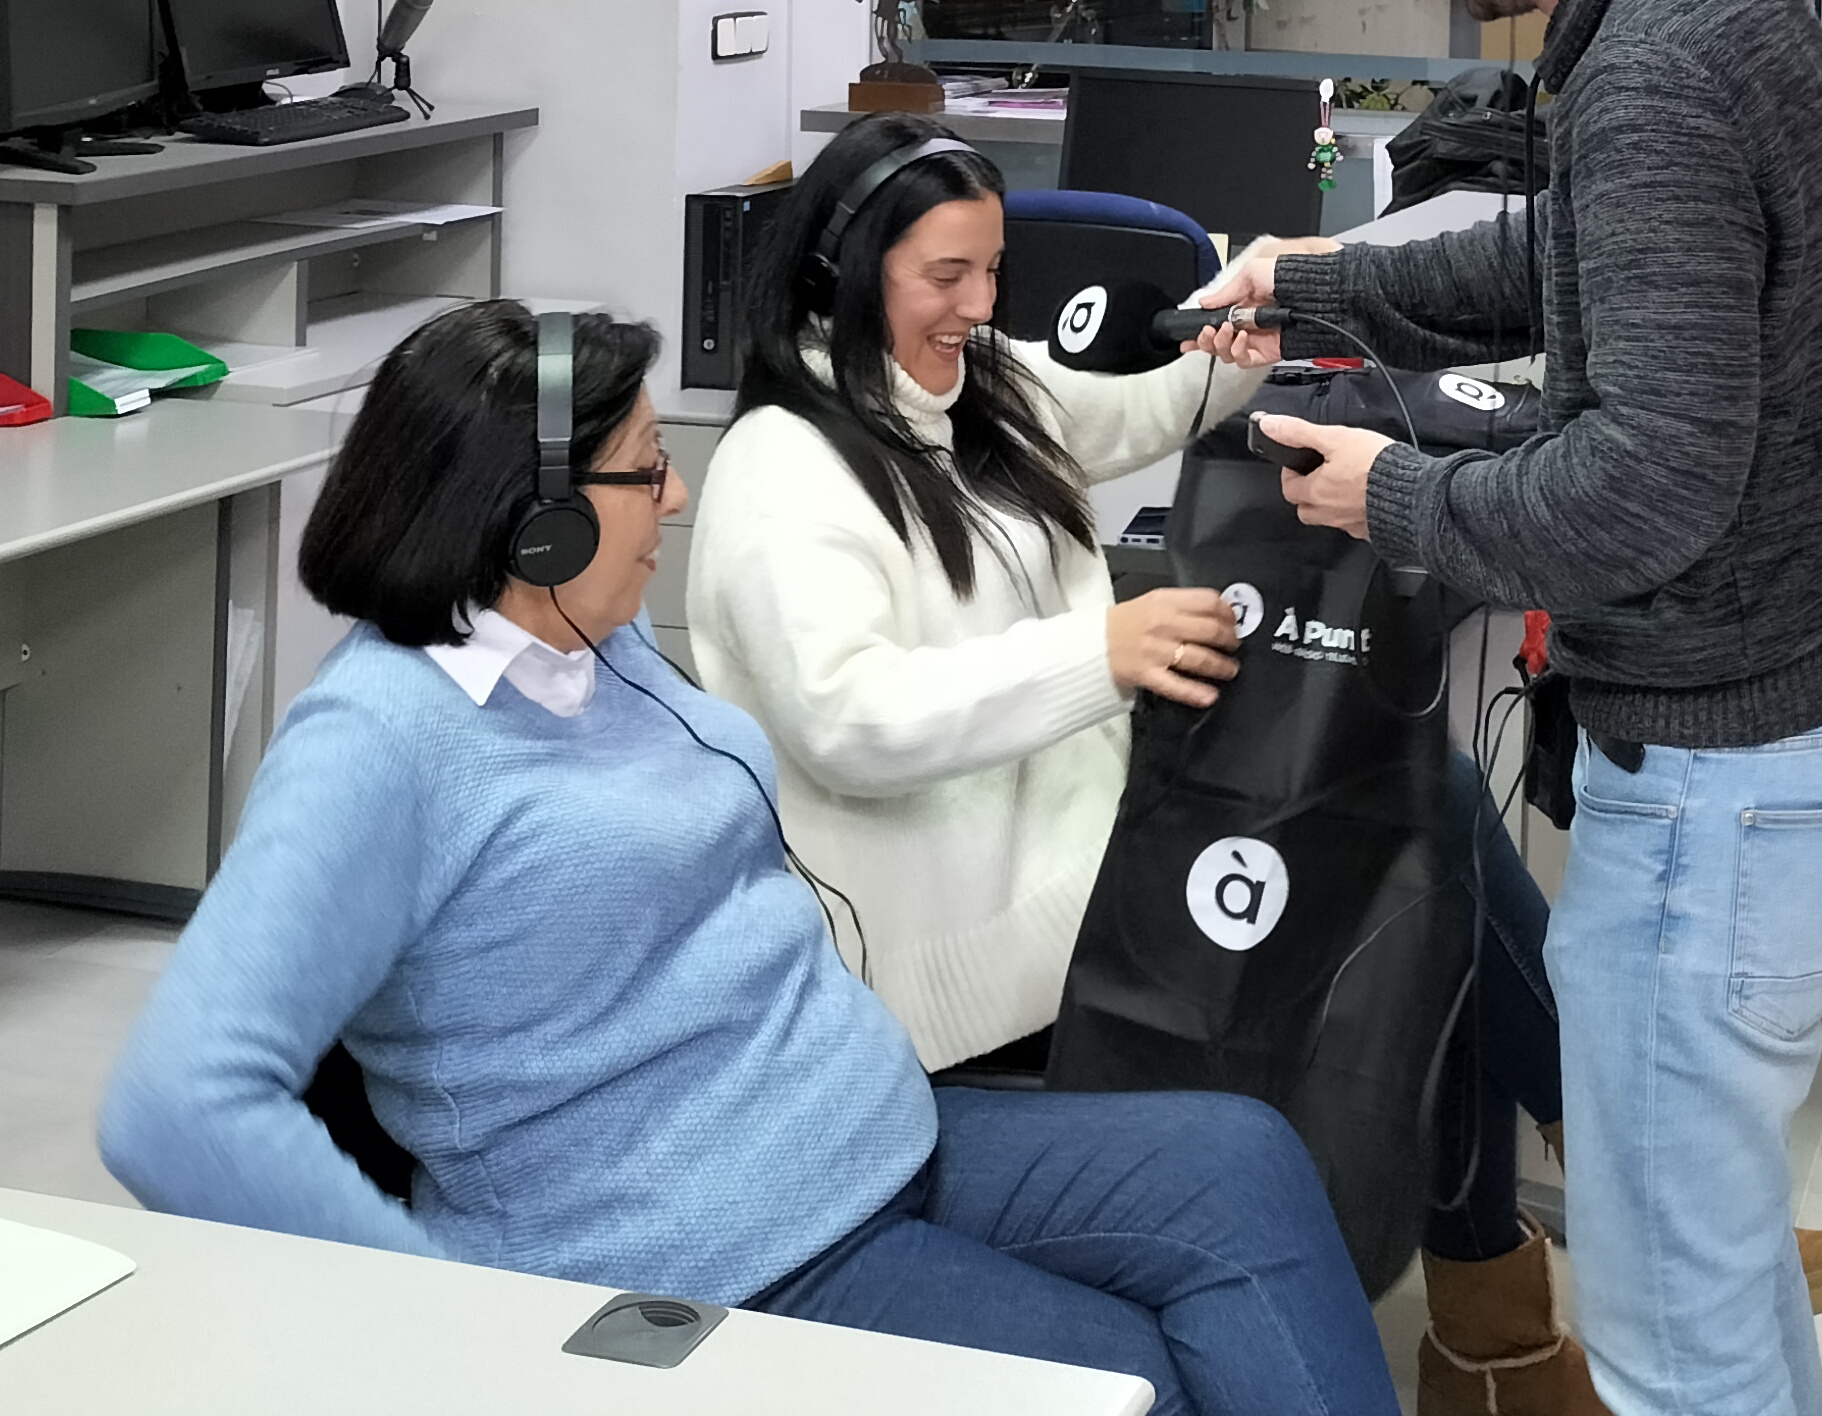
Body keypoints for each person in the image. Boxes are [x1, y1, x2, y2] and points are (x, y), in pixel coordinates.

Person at [97, 299, 1395, 1416]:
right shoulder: (380, 741)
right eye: (646, 469)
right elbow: (175, 1105)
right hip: (707, 1245)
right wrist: (446, 1319)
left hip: (861, 1128)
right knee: (1132, 1382)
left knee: (1242, 1167)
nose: (675, 498)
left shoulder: (589, 639)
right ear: (536, 523)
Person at [1188, 0, 1822, 1416]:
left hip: (1730, 784)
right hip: (1800, 737)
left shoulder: (1656, 67)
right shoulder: (1703, 4)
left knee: (1676, 1356)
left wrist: (1391, 494)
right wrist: (1324, 282)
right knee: (1724, 1296)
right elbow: (1559, 258)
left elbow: (1648, 482)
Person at [685, 119, 1605, 1414]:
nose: (979, 306)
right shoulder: (785, 471)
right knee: (1411, 845)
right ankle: (1577, 1220)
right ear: (844, 271)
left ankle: (1538, 1262)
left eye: (992, 272)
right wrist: (1101, 653)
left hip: (1092, 848)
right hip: (986, 959)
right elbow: (854, 719)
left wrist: (1228, 358)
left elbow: (1127, 412)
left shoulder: (972, 388)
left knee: (1409, 812)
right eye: (946, 275)